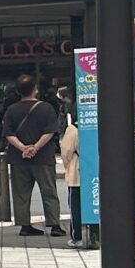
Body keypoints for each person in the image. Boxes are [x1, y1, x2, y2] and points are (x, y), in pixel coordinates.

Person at [1, 75, 64, 236]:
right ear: (35, 89)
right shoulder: (46, 108)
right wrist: (35, 147)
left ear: (17, 91)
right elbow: (50, 131)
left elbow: (8, 134)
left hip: (18, 158)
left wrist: (23, 148)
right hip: (43, 156)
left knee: (21, 193)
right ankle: (54, 225)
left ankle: (24, 225)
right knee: (49, 190)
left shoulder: (11, 110)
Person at [56, 99, 83, 245]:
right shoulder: (97, 126)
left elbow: (66, 152)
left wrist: (67, 165)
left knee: (75, 205)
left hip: (77, 171)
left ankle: (77, 236)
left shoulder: (73, 129)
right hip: (96, 171)